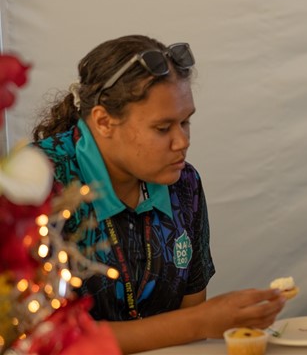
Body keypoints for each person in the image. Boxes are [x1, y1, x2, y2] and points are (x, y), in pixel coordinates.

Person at [32, 35, 285, 354]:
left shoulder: (184, 183)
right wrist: (203, 321)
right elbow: (47, 337)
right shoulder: (38, 188)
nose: (182, 141)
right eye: (163, 128)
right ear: (104, 121)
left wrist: (205, 319)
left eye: (186, 121)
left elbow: (189, 319)